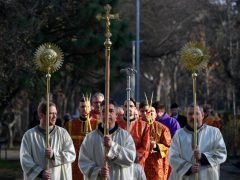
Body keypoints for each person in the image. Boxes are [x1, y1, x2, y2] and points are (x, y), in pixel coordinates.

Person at [78, 100, 136, 180]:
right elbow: (83, 162)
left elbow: (131, 158)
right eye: (104, 111)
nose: (107, 114)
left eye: (111, 111)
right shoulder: (90, 138)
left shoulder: (125, 136)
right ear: (100, 115)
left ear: (116, 115)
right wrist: (98, 172)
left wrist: (112, 146)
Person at [168, 104, 227, 180]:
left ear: (202, 115)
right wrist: (188, 168)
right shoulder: (179, 134)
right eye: (190, 114)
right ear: (187, 116)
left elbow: (222, 153)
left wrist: (202, 157)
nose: (193, 117)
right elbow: (172, 157)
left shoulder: (214, 132)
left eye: (196, 113)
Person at [20, 101, 76, 180]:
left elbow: (71, 154)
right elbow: (24, 159)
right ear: (41, 115)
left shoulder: (63, 133)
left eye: (55, 113)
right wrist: (40, 173)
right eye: (51, 113)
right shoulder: (29, 136)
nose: (54, 116)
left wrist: (54, 155)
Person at [64, 96, 98, 180]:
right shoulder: (70, 125)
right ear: (79, 108)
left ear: (91, 108)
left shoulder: (98, 125)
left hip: (91, 164)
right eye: (82, 107)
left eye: (87, 106)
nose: (85, 109)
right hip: (74, 165)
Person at [139, 101, 172, 180]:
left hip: (156, 167)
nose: (148, 113)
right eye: (145, 111)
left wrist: (156, 146)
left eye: (151, 111)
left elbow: (169, 149)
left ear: (156, 114)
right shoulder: (136, 127)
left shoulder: (163, 129)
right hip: (140, 166)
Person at [117, 98, 150, 168]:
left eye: (131, 106)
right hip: (118, 163)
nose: (129, 108)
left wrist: (132, 157)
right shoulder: (116, 124)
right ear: (123, 108)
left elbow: (145, 148)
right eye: (126, 106)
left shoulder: (144, 126)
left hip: (136, 164)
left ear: (135, 108)